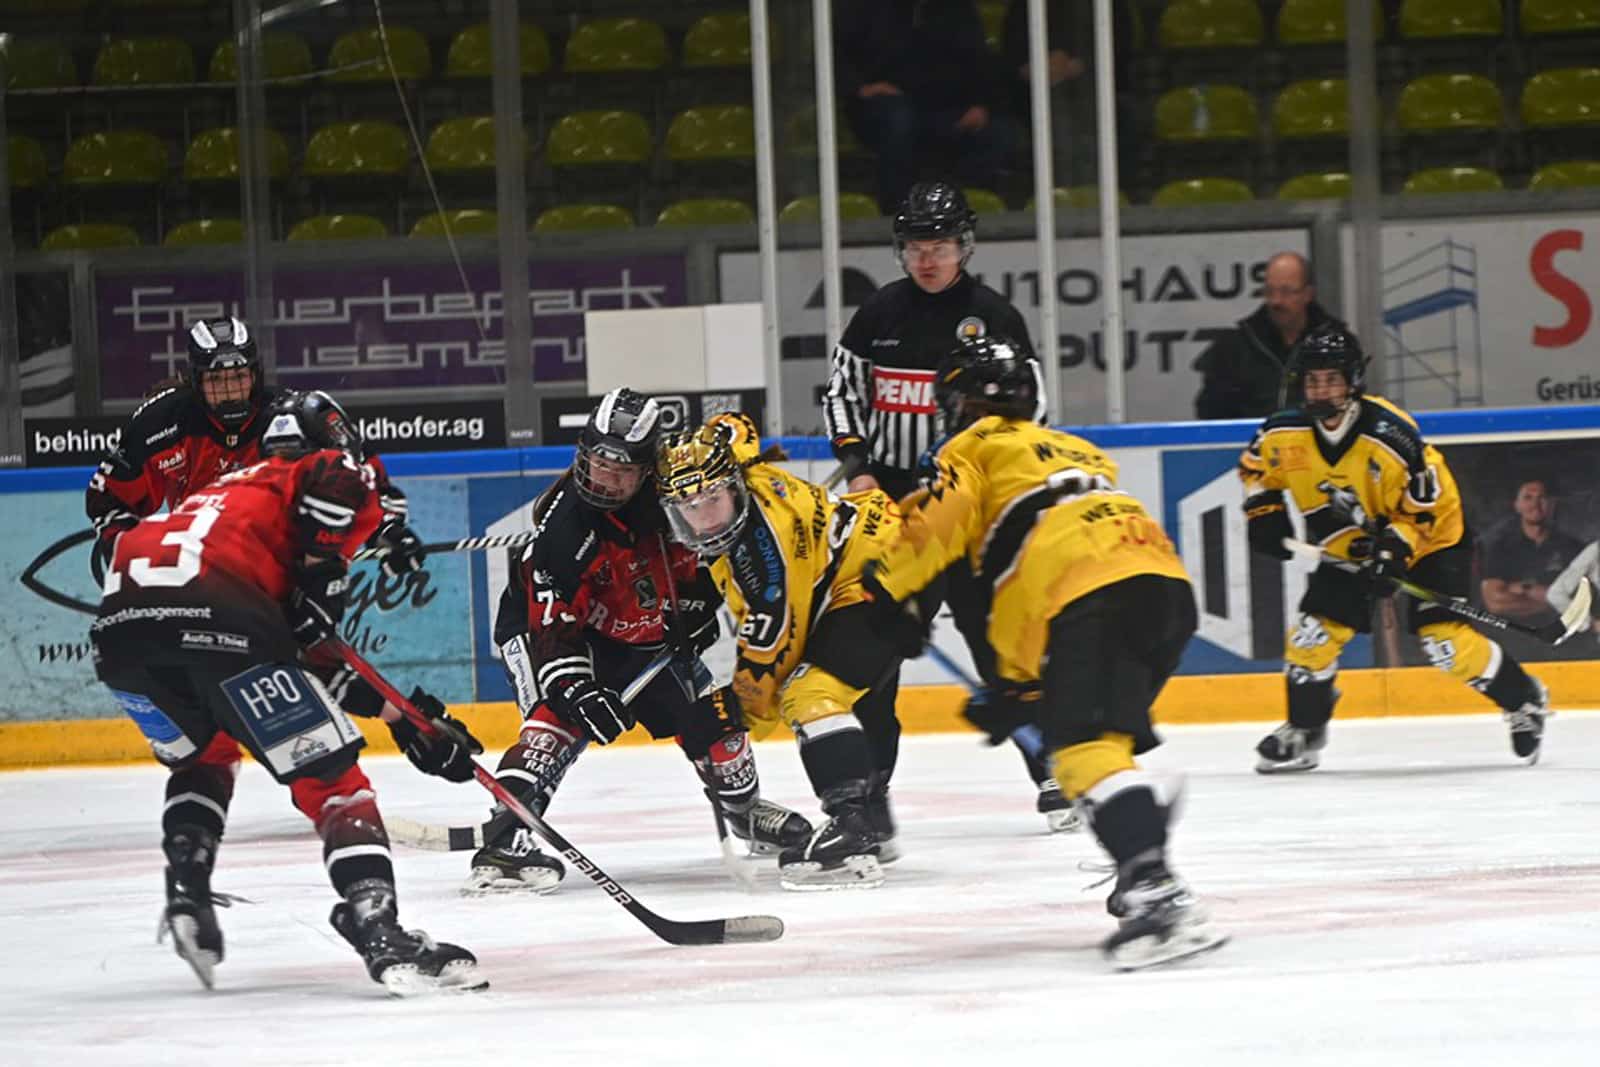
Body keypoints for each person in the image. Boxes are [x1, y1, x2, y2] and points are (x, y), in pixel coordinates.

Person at [89, 390, 486, 995]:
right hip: (218, 620)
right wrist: (325, 578)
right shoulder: (322, 469)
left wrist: (401, 717)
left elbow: (302, 657)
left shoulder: (219, 495)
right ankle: (376, 923)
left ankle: (188, 892)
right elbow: (334, 490)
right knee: (331, 781)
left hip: (120, 637)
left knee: (207, 755)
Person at [856, 335, 1226, 970]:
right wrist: (1023, 690)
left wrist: (889, 590)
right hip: (1160, 582)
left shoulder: (970, 447)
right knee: (1091, 739)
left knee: (1082, 747)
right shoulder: (1075, 450)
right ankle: (1139, 856)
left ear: (956, 405)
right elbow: (1024, 567)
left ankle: (1154, 883)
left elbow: (941, 528)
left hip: (1091, 593)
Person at [476, 389, 812, 895]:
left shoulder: (676, 492)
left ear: (648, 468)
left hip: (647, 637)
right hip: (552, 636)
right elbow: (551, 625)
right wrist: (578, 688)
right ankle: (506, 838)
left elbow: (707, 555)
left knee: (715, 723)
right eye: (596, 465)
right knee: (553, 731)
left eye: (621, 472)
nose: (603, 481)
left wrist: (695, 613)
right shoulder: (566, 526)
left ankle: (743, 812)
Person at [823, 180, 1072, 832]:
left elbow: (1032, 404)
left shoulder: (994, 315)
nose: (926, 258)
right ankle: (869, 795)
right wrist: (860, 466)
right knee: (876, 652)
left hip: (972, 513)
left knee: (1002, 646)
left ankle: (1052, 772)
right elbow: (843, 393)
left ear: (962, 245)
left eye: (938, 245)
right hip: (896, 512)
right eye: (914, 246)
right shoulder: (878, 313)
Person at [1240, 328, 1551, 771]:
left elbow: (1420, 511)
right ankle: (1305, 730)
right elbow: (1255, 470)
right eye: (1312, 380)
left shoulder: (1390, 436)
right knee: (1312, 637)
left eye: (1331, 379)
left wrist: (1392, 554)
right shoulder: (1280, 433)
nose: (1320, 390)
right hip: (1349, 545)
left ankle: (1525, 699)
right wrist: (1264, 510)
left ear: (1352, 382)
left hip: (1431, 538)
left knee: (1444, 644)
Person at [656, 413, 907, 891]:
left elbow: (773, 661)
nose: (705, 518)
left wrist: (725, 712)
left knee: (810, 692)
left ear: (733, 488)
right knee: (865, 697)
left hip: (881, 574)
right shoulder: (743, 470)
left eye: (712, 500)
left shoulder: (763, 549)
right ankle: (873, 819)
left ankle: (852, 827)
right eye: (689, 507)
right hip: (881, 557)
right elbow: (735, 426)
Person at [86, 316, 424, 586]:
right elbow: (110, 501)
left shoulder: (293, 415)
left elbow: (357, 476)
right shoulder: (161, 422)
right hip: (198, 567)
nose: (231, 391)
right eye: (216, 381)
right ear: (195, 381)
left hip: (275, 567)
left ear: (256, 374)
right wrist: (127, 551)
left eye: (239, 377)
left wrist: (388, 530)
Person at [834, 1, 1020, 213]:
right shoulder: (861, 8)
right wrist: (860, 88)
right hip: (884, 107)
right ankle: (900, 213)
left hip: (947, 109)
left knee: (1000, 133)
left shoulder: (956, 8)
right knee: (898, 121)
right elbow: (832, 54)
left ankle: (949, 206)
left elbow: (980, 59)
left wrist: (982, 103)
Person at [1194, 252, 1345, 421]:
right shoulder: (1233, 348)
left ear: (1308, 294)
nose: (1276, 301)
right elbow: (1211, 417)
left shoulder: (1337, 342)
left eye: (1286, 292)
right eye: (1269, 291)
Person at [1479, 479, 1587, 624]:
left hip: (1563, 635)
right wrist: (1558, 601)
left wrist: (1521, 589)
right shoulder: (1500, 548)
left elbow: (1585, 597)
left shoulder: (1574, 548)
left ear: (1552, 504)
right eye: (1528, 497)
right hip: (1512, 634)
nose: (1535, 504)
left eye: (1542, 498)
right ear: (1517, 505)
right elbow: (1495, 603)